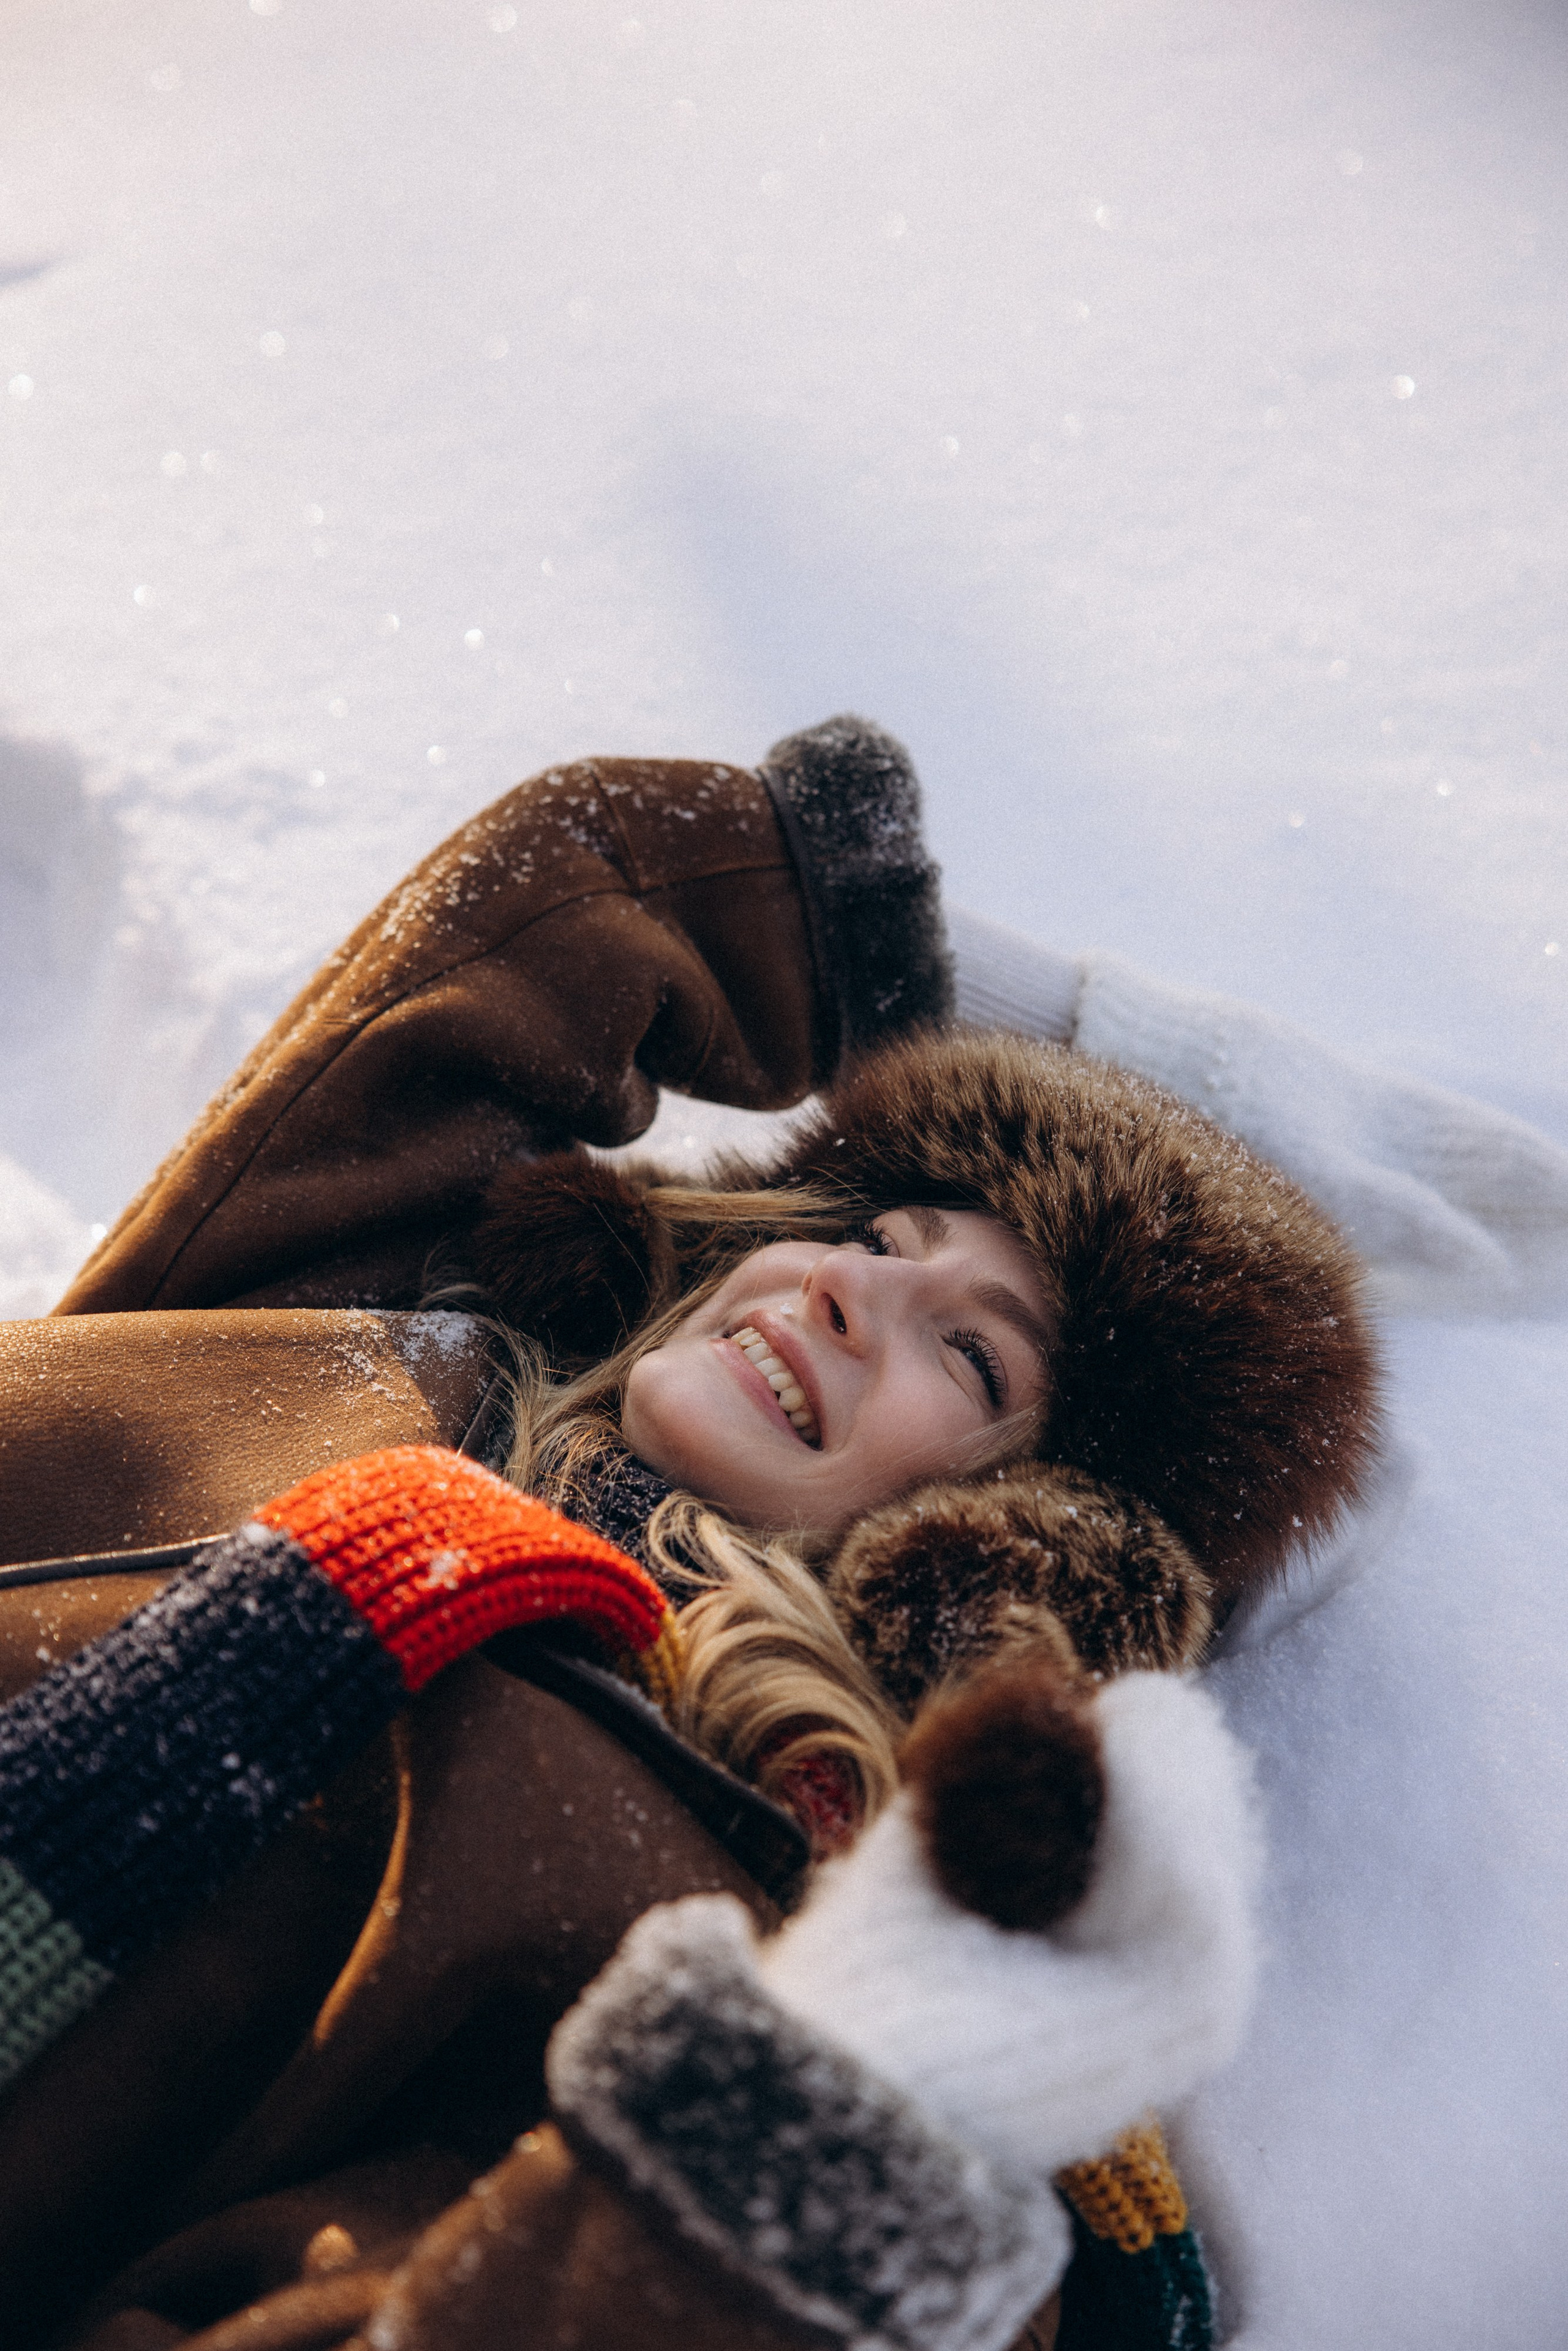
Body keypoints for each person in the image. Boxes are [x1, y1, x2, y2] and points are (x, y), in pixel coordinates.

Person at [0, 717, 1378, 2350]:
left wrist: (811, 2129)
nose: (855, 1288)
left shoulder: (698, 1896)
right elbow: (550, 904)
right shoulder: (393, 1332)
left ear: (1024, 1532)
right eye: (882, 1230)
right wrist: (924, 985)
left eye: (973, 1350)